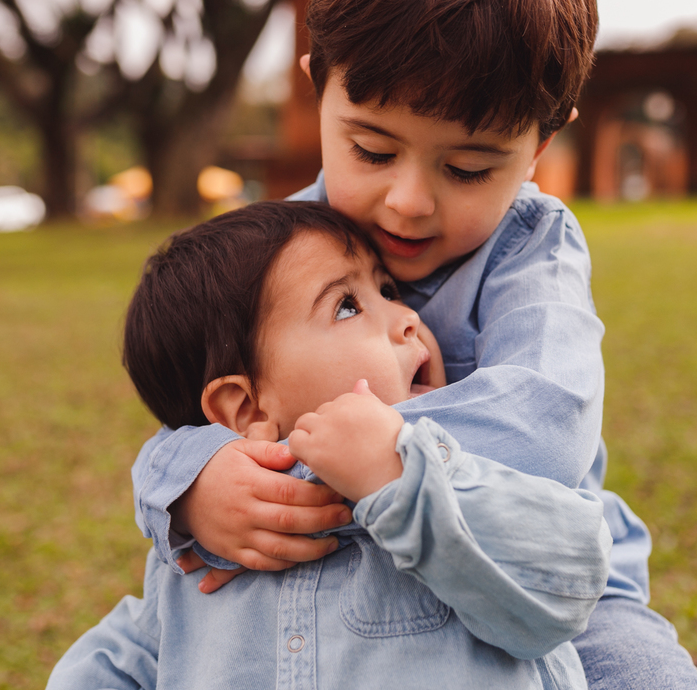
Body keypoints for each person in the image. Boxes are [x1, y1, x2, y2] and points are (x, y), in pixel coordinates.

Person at [74, 0, 697, 687]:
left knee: (640, 671)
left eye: (470, 168)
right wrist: (189, 484)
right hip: (352, 559)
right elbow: (203, 392)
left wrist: (337, 459)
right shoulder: (282, 245)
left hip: (537, 561)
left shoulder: (532, 250)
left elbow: (541, 435)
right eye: (373, 150)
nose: (410, 201)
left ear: (541, 143)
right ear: (318, 88)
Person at [48, 201, 612, 689]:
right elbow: (123, 657)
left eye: (387, 289)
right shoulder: (208, 548)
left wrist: (402, 478)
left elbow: (567, 583)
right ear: (246, 408)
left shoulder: (454, 468)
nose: (410, 317)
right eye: (348, 305)